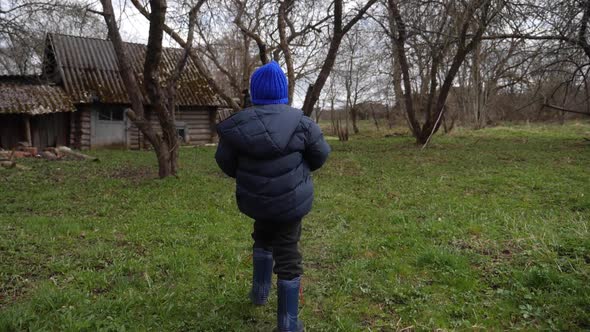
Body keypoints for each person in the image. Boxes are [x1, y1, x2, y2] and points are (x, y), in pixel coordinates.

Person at [215, 61, 330, 332]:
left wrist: (249, 177)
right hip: (291, 203)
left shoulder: (240, 126)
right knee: (288, 253)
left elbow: (224, 161)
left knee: (262, 237)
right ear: (283, 93)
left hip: (257, 201)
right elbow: (321, 154)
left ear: (254, 94)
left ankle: (259, 293)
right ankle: (288, 325)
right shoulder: (302, 124)